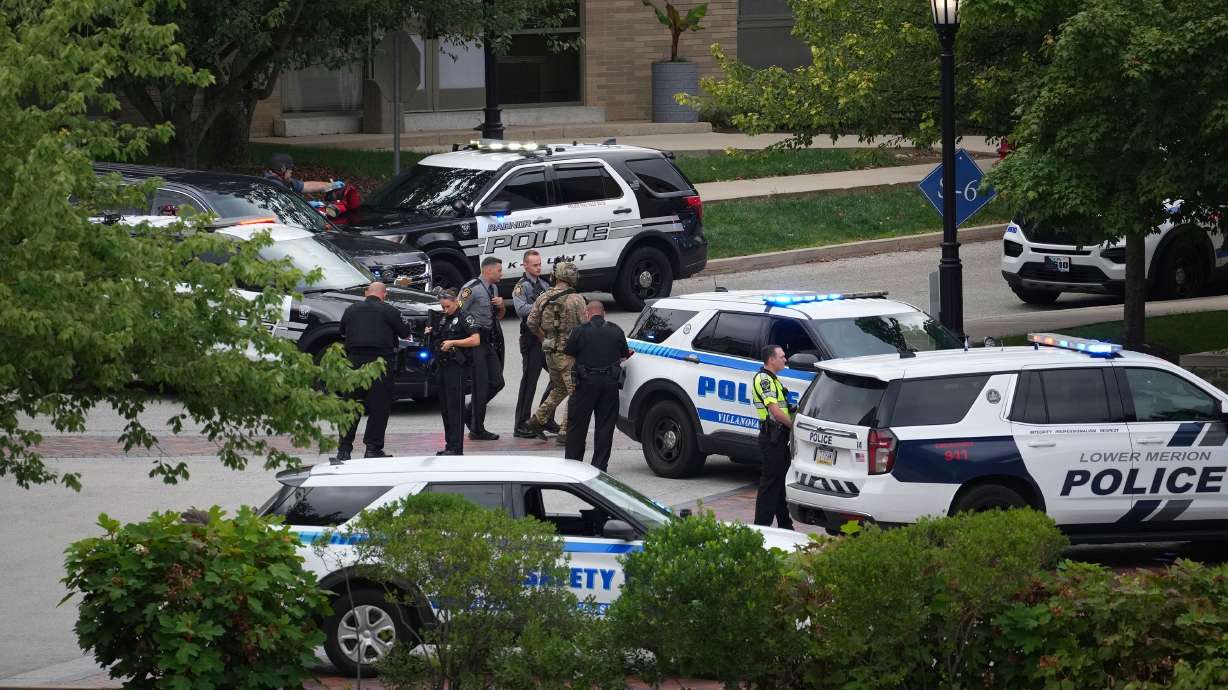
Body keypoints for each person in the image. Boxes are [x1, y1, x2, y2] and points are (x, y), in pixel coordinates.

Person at [336, 281, 412, 461]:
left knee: (351, 406)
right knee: (379, 408)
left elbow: (342, 331)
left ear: (365, 293)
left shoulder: (351, 310)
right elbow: (405, 332)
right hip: (380, 363)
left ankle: (344, 449)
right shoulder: (390, 311)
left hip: (354, 362)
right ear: (385, 294)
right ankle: (373, 448)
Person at [563, 300, 632, 471]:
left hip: (585, 383)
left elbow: (568, 354)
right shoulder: (616, 330)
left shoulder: (579, 331)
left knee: (577, 426)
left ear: (587, 314)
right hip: (609, 384)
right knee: (605, 427)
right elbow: (624, 355)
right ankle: (599, 467)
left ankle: (573, 465)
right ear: (604, 314)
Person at [524, 261, 587, 444]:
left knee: (559, 388)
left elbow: (531, 323)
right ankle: (566, 432)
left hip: (550, 351)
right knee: (575, 391)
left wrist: (543, 338)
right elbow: (584, 325)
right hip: (569, 353)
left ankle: (537, 420)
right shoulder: (576, 299)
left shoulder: (543, 297)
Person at [426, 289, 480, 455]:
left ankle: (457, 447)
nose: (445, 310)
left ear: (456, 302)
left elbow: (475, 339)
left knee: (455, 408)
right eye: (442, 307)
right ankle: (449, 445)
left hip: (457, 367)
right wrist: (432, 333)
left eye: (447, 306)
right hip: (443, 366)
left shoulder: (464, 317)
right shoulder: (444, 318)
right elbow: (441, 338)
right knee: (445, 408)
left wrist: (453, 342)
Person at [458, 256, 505, 440]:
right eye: (499, 270)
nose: (502, 273)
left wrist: (501, 306)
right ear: (488, 270)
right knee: (481, 386)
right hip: (474, 341)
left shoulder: (493, 288)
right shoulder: (472, 289)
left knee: (497, 382)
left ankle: (470, 413)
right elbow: (458, 310)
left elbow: (499, 317)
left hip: (487, 341)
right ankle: (477, 429)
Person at [751, 344, 796, 530]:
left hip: (778, 437)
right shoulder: (764, 380)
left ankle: (786, 526)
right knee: (770, 484)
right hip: (772, 438)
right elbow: (776, 413)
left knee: (778, 484)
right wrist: (794, 427)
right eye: (782, 356)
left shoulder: (774, 380)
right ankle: (761, 528)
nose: (785, 359)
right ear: (771, 359)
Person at [512, 250, 555, 438]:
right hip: (531, 339)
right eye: (535, 265)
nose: (539, 267)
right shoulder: (521, 287)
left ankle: (544, 418)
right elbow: (521, 309)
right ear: (525, 266)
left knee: (558, 377)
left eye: (540, 264)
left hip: (545, 337)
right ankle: (521, 424)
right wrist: (542, 305)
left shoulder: (545, 284)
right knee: (530, 382)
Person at [265, 152, 343, 195]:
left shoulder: (285, 181)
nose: (292, 171)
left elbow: (307, 186)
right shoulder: (274, 186)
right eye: (290, 169)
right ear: (283, 169)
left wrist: (331, 185)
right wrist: (309, 206)